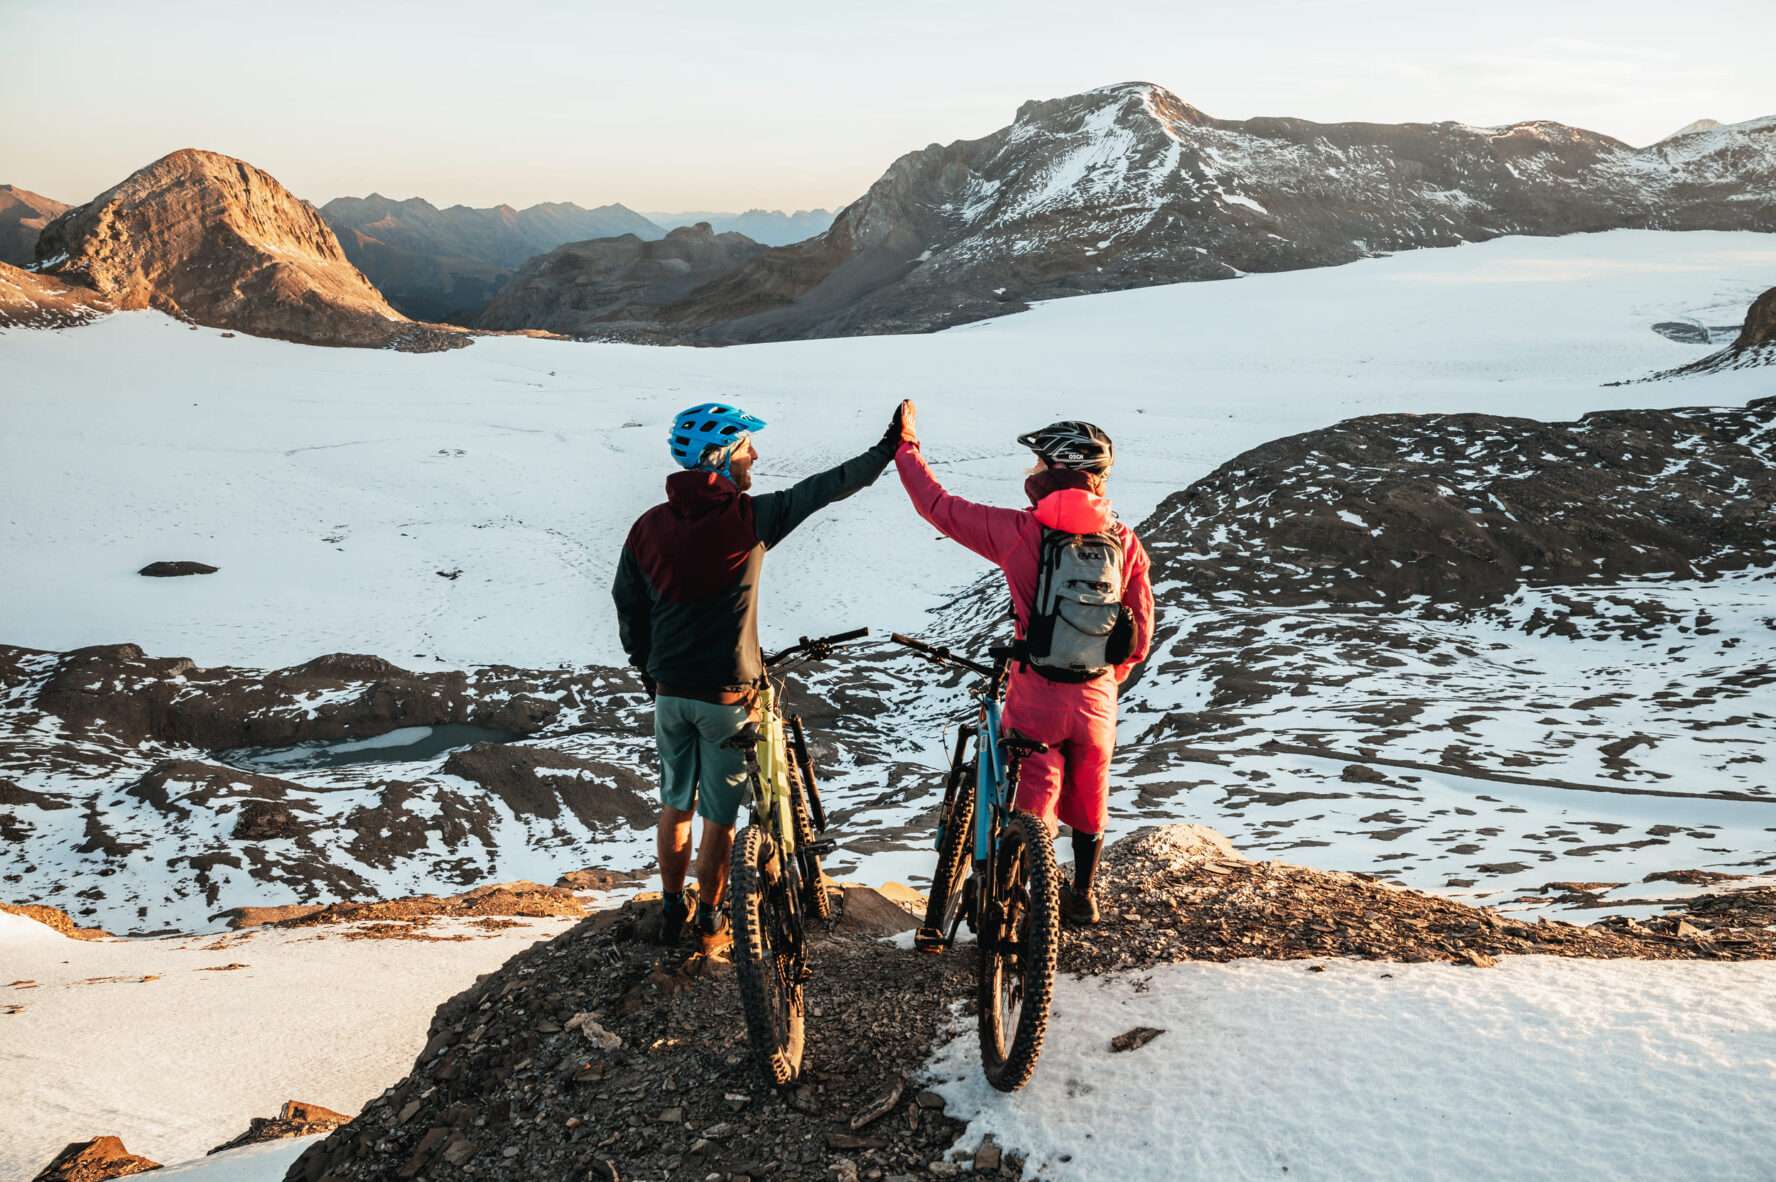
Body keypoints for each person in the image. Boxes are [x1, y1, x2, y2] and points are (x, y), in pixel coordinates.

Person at [613, 401, 908, 952]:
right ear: (719, 457)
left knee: (676, 801)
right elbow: (828, 487)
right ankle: (708, 916)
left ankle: (671, 907)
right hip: (729, 697)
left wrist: (648, 669)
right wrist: (889, 447)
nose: (756, 457)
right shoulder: (747, 518)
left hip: (670, 695)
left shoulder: (647, 527)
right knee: (719, 817)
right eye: (746, 448)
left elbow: (626, 604)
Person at [891, 401, 1153, 924]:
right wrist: (1100, 679)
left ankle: (1016, 884)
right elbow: (1139, 635)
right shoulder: (1125, 543)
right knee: (1090, 792)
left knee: (1032, 793)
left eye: (1037, 464)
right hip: (1097, 697)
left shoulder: (1020, 532)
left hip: (1035, 693)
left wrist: (906, 448)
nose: (1029, 472)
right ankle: (1081, 895)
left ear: (1059, 472)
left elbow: (937, 506)